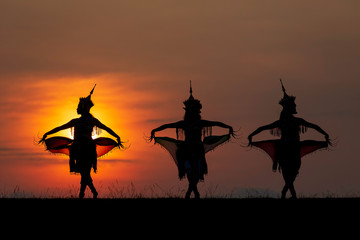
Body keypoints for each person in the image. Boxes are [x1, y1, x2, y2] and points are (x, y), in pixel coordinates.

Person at [149, 81, 234, 199]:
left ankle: (191, 193)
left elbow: (215, 123)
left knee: (196, 170)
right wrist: (155, 130)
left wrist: (228, 127)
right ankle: (193, 193)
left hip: (196, 148)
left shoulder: (196, 123)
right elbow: (168, 125)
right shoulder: (187, 123)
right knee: (190, 170)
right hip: (187, 149)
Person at [248, 79, 330, 199]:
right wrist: (251, 135)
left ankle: (285, 191)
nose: (296, 106)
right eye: (294, 105)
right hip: (286, 149)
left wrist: (325, 133)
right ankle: (292, 194)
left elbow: (313, 126)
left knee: (293, 171)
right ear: (289, 108)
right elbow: (263, 128)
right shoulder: (286, 122)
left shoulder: (295, 121)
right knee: (289, 172)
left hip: (293, 148)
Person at [39, 84, 124, 199]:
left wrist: (48, 133)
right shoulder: (88, 120)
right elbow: (106, 128)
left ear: (82, 108)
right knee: (85, 172)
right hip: (85, 148)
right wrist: (117, 136)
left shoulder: (80, 121)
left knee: (84, 173)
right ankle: (86, 194)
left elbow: (60, 128)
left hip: (81, 148)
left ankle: (86, 193)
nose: (77, 108)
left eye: (79, 106)